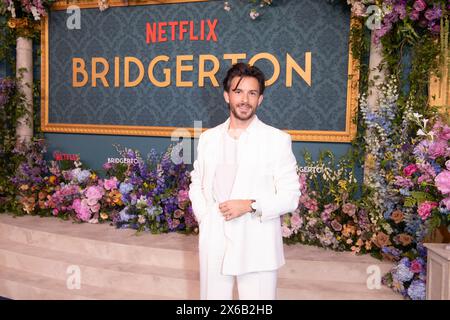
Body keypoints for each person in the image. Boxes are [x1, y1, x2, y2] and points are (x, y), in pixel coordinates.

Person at [189, 62, 301, 300]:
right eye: (238, 92)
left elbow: (290, 196)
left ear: (260, 99)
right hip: (214, 238)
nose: (245, 100)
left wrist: (250, 205)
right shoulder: (209, 138)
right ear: (226, 96)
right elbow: (197, 181)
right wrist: (205, 216)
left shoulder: (276, 140)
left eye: (252, 93)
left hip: (256, 240)